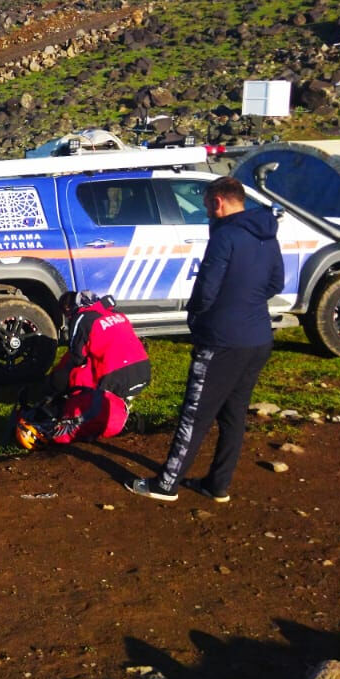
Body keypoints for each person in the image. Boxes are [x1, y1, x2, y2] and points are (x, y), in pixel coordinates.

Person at [127, 176, 284, 503]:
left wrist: (197, 319)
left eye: (207, 206)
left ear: (218, 202)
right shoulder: (267, 234)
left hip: (222, 339)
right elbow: (276, 282)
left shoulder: (225, 235)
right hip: (258, 338)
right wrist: (245, 301)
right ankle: (217, 484)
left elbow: (206, 289)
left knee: (194, 413)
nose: (206, 212)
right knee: (233, 414)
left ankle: (166, 484)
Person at [14, 291, 149, 447]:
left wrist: (53, 386)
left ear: (70, 308)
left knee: (77, 377)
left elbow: (76, 358)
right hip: (143, 372)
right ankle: (118, 415)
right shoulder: (116, 314)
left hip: (115, 378)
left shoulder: (82, 318)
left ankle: (61, 423)